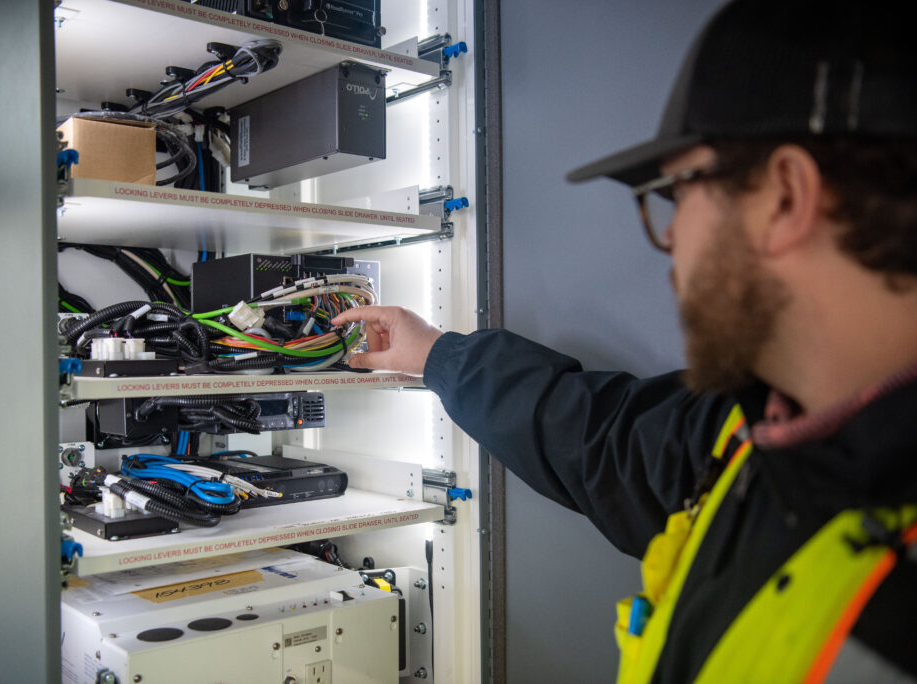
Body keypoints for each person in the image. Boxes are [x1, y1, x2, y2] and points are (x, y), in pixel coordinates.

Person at [332, 0, 917, 682]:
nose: (669, 248)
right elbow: (600, 438)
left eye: (672, 194)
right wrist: (434, 354)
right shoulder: (756, 430)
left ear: (785, 198)